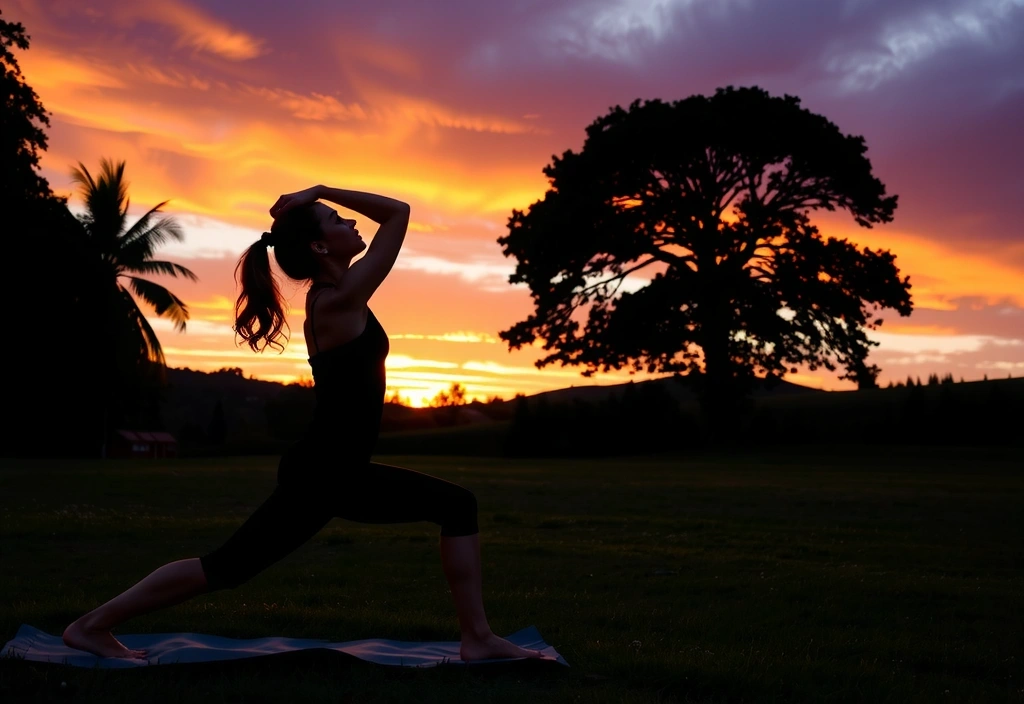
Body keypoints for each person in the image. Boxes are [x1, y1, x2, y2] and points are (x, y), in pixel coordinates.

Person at [62, 185, 545, 663]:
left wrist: (318, 198)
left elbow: (393, 217)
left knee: (230, 566)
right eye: (337, 220)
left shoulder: (338, 294)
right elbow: (398, 214)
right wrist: (322, 189)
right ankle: (89, 626)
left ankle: (478, 637)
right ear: (319, 246)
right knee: (227, 567)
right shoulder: (339, 299)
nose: (352, 223)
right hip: (329, 473)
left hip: (331, 469)